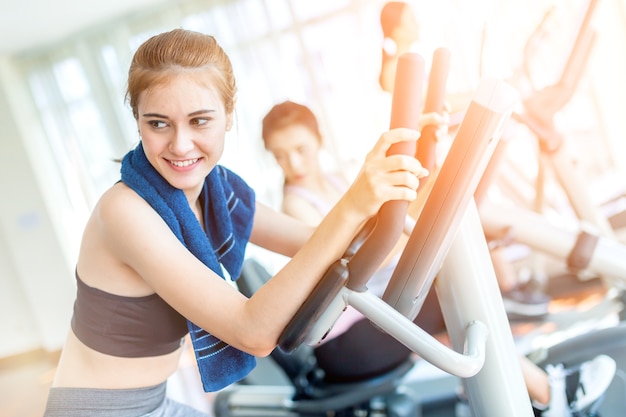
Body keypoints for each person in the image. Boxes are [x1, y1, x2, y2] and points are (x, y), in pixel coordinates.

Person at [42, 28, 430, 417]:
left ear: (228, 116)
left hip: (155, 403)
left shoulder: (215, 192)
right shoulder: (125, 211)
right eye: (158, 123)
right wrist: (352, 205)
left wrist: (397, 178)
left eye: (199, 121)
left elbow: (321, 242)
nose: (180, 145)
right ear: (138, 121)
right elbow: (253, 333)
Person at [261, 99, 617, 416]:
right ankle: (552, 394)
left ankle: (511, 389)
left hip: (367, 317)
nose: (293, 163)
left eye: (300, 149)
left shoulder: (338, 182)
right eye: (280, 155)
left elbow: (378, 236)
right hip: (344, 343)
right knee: (449, 297)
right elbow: (357, 258)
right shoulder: (296, 203)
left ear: (318, 141)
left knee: (439, 295)